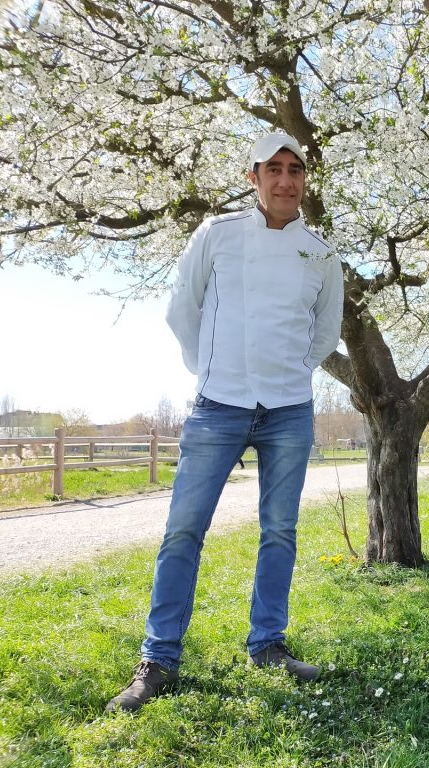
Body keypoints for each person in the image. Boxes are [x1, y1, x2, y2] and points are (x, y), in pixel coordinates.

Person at [106, 132, 344, 713]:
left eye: (295, 170)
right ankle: (158, 658)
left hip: (288, 409)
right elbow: (181, 310)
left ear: (304, 180)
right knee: (183, 531)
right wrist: (210, 373)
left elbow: (324, 332)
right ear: (254, 177)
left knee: (280, 532)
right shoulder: (216, 235)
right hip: (217, 406)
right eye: (274, 170)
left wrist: (288, 371)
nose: (286, 180)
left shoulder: (321, 253)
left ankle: (267, 644)